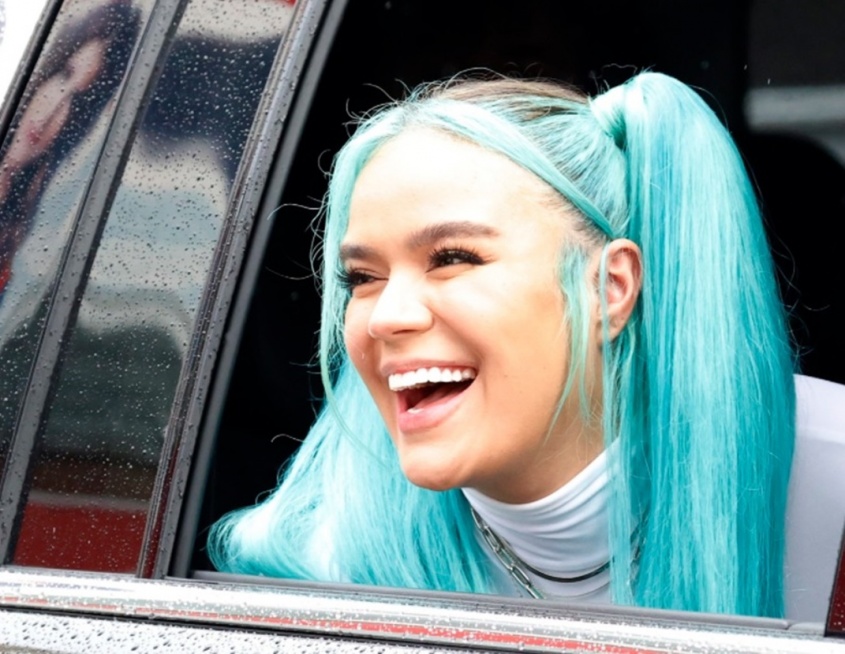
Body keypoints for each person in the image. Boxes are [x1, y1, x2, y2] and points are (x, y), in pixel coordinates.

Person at [208, 72, 845, 621]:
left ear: (610, 289)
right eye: (362, 278)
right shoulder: (318, 568)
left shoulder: (832, 479)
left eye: (452, 258)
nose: (386, 317)